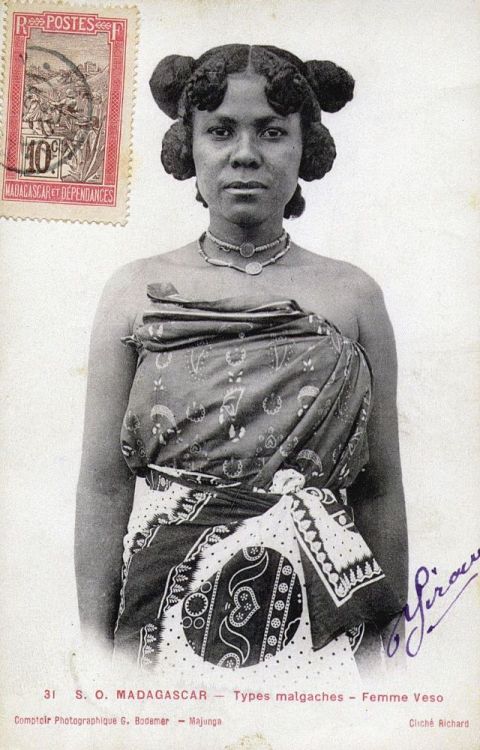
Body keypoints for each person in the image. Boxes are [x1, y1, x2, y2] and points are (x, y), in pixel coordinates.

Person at [75, 45, 408, 678]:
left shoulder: (353, 296)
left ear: (304, 149)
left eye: (273, 132)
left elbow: (380, 487)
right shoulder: (132, 291)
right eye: (220, 130)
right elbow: (102, 484)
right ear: (188, 148)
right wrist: (97, 656)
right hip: (164, 603)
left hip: (319, 610)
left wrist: (385, 665)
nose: (245, 153)